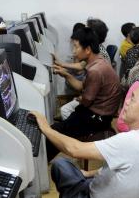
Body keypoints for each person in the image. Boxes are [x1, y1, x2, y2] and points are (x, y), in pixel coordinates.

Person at [49, 27, 121, 160]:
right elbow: (82, 86)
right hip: (96, 113)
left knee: (53, 135)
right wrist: (65, 74)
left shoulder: (95, 70)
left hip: (98, 118)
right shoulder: (98, 61)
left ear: (87, 49)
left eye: (76, 47)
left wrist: (81, 98)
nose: (74, 52)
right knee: (56, 131)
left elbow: (87, 100)